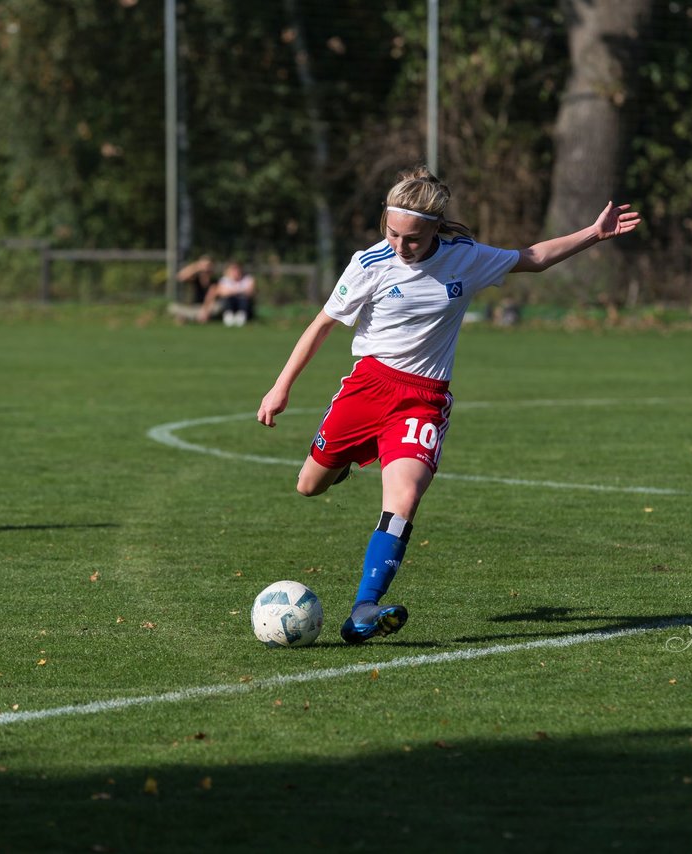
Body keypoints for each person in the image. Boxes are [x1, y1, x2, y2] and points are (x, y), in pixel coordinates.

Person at [257, 166, 640, 643]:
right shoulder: (369, 264)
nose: (401, 246)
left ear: (436, 228)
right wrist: (281, 386)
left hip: (424, 399)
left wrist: (593, 233)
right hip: (367, 388)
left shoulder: (465, 258)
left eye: (413, 238)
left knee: (404, 499)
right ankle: (347, 461)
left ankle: (363, 610)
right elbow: (321, 326)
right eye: (393, 233)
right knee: (309, 486)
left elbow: (534, 258)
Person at [198, 261, 257, 326]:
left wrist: (232, 291)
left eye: (237, 269)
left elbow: (250, 292)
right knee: (228, 299)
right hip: (229, 304)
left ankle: (241, 316)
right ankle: (229, 316)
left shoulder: (248, 279)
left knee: (243, 300)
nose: (236, 272)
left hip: (243, 303)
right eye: (233, 270)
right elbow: (222, 292)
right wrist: (239, 291)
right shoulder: (224, 280)